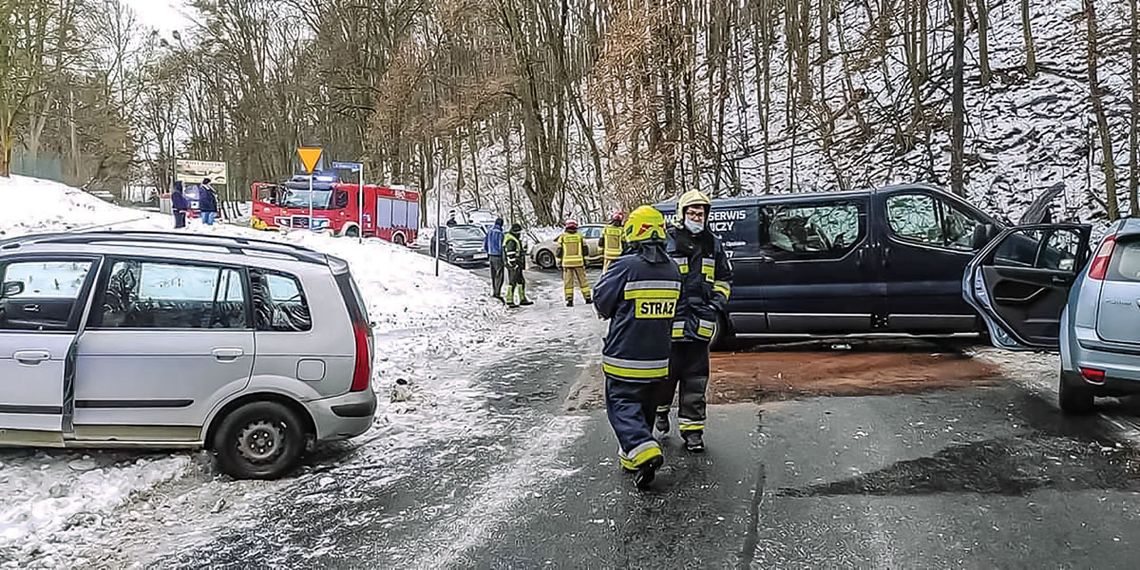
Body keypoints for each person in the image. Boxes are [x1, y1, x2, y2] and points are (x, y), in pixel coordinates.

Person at [594, 206, 681, 489]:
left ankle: (646, 449)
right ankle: (632, 458)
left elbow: (602, 301)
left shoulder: (625, 265)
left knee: (621, 405)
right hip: (658, 359)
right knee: (644, 407)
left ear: (634, 232)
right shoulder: (673, 269)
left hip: (625, 356)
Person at [655, 189, 733, 453]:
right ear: (682, 213)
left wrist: (716, 304)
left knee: (696, 380)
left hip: (701, 323)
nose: (697, 217)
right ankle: (660, 412)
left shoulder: (714, 244)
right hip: (671, 324)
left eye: (701, 213)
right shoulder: (668, 241)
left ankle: (693, 432)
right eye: (692, 212)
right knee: (665, 378)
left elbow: (724, 279)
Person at [556, 219, 592, 307]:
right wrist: (586, 260)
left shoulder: (563, 237)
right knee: (583, 281)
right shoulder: (579, 236)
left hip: (567, 263)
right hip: (579, 262)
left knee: (568, 283)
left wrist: (558, 262)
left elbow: (559, 251)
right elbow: (585, 250)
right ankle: (587, 298)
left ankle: (569, 301)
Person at [502, 222, 533, 308]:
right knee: (513, 282)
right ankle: (509, 300)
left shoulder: (513, 238)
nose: (520, 234)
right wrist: (513, 264)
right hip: (514, 265)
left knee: (520, 281)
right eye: (519, 232)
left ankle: (522, 298)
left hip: (516, 264)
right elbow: (510, 253)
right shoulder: (511, 240)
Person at [485, 217, 506, 301]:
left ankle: (494, 291)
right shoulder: (500, 233)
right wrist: (504, 259)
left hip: (490, 255)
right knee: (499, 275)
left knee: (493, 275)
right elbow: (502, 247)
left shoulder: (489, 232)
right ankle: (497, 292)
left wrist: (488, 252)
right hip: (498, 256)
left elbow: (485, 244)